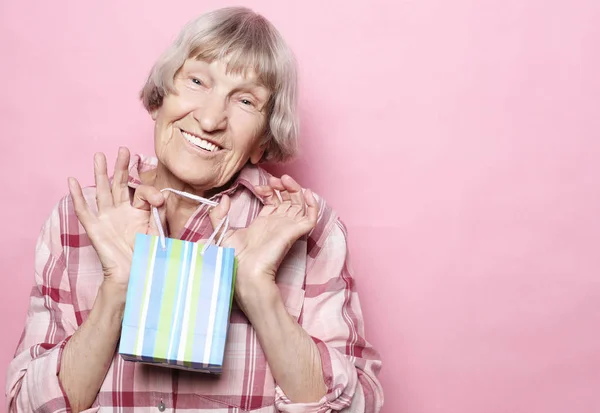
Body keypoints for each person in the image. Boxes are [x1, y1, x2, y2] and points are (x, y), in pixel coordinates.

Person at [6, 7, 383, 413]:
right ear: (159, 98)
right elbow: (24, 407)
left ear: (262, 140)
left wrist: (258, 291)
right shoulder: (81, 218)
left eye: (245, 100)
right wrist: (117, 290)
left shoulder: (303, 226)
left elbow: (358, 406)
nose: (209, 118)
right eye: (198, 80)